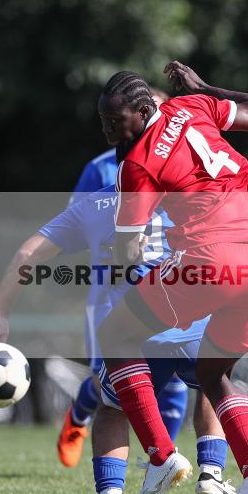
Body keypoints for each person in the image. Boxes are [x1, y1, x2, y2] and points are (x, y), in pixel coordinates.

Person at [0, 185, 236, 494]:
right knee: (213, 386)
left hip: (135, 330)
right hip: (193, 321)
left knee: (113, 409)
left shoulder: (93, 205)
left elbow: (28, 255)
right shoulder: (192, 193)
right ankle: (211, 474)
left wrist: (1, 312)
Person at [94, 62, 248, 494]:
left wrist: (126, 255)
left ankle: (161, 457)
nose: (109, 131)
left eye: (116, 122)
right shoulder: (192, 105)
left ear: (143, 110)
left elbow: (126, 248)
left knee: (115, 335)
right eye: (103, 121)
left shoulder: (137, 163)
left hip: (208, 259)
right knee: (213, 374)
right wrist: (204, 86)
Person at [58, 89, 188, 469]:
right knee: (108, 381)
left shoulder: (180, 163)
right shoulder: (101, 167)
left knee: (173, 376)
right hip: (111, 290)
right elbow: (75, 225)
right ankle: (79, 415)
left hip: (164, 283)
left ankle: (158, 463)